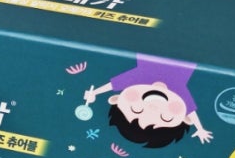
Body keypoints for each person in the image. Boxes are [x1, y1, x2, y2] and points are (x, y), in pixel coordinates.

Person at [83, 53, 212, 148]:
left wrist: (95, 93)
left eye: (136, 109)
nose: (153, 106)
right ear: (184, 118)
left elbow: (114, 84)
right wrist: (200, 128)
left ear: (116, 99)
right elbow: (190, 111)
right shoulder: (178, 92)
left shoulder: (139, 76)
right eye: (166, 117)